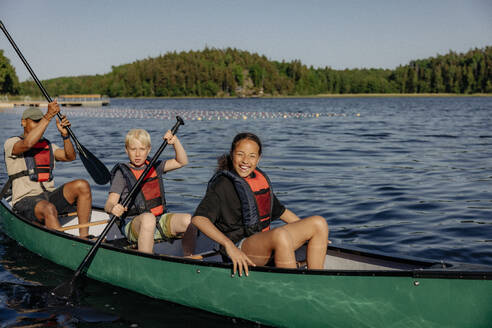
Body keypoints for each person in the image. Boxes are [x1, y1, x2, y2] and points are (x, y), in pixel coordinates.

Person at [192, 132, 329, 276]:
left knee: (319, 223)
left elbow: (282, 212)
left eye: (252, 156)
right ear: (232, 154)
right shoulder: (222, 185)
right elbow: (199, 219)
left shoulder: (257, 181)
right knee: (280, 234)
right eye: (240, 154)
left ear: (258, 159)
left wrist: (311, 234)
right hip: (239, 247)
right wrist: (228, 245)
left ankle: (316, 278)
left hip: (263, 242)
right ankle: (291, 288)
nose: (245, 161)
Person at [3, 100, 92, 238]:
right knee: (48, 208)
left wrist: (65, 136)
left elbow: (70, 156)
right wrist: (48, 116)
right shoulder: (12, 143)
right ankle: (64, 245)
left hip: (48, 196)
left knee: (82, 185)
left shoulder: (47, 145)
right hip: (24, 201)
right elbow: (27, 144)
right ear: (23, 122)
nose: (38, 124)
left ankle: (84, 237)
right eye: (34, 121)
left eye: (40, 121)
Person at [105, 128, 196, 255]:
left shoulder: (155, 166)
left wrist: (175, 142)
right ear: (126, 150)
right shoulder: (122, 173)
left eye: (142, 149)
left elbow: (182, 161)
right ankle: (146, 260)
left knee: (189, 221)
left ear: (148, 149)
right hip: (133, 224)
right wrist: (113, 208)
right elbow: (109, 203)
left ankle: (189, 258)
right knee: (148, 219)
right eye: (133, 149)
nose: (137, 154)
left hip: (159, 219)